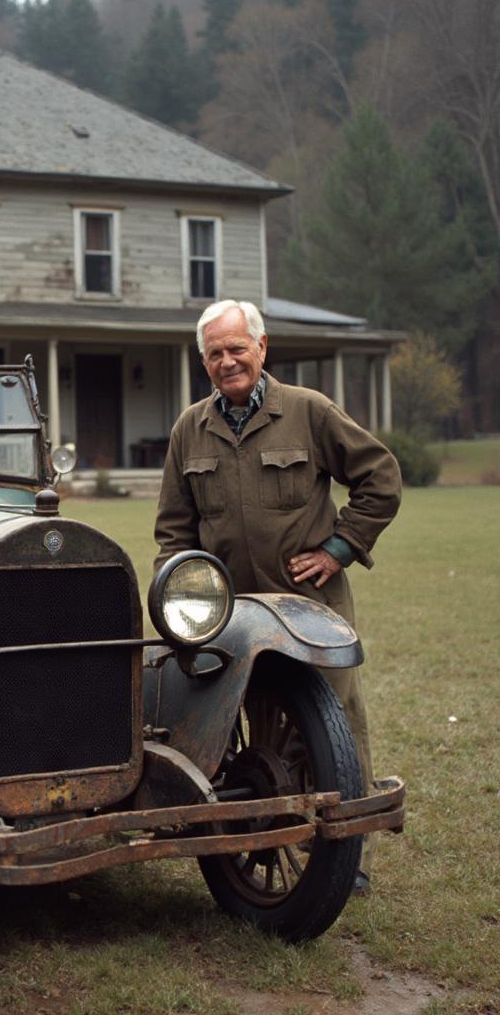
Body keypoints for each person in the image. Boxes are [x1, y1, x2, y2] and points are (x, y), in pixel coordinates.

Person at [154, 299, 402, 894]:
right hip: (233, 617)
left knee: (332, 724)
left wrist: (339, 549)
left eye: (237, 348)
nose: (226, 361)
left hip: (310, 610)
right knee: (242, 726)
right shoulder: (191, 428)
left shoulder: (308, 412)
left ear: (262, 349)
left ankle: (345, 851)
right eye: (214, 353)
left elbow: (381, 477)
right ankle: (250, 833)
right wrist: (180, 595)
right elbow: (173, 530)